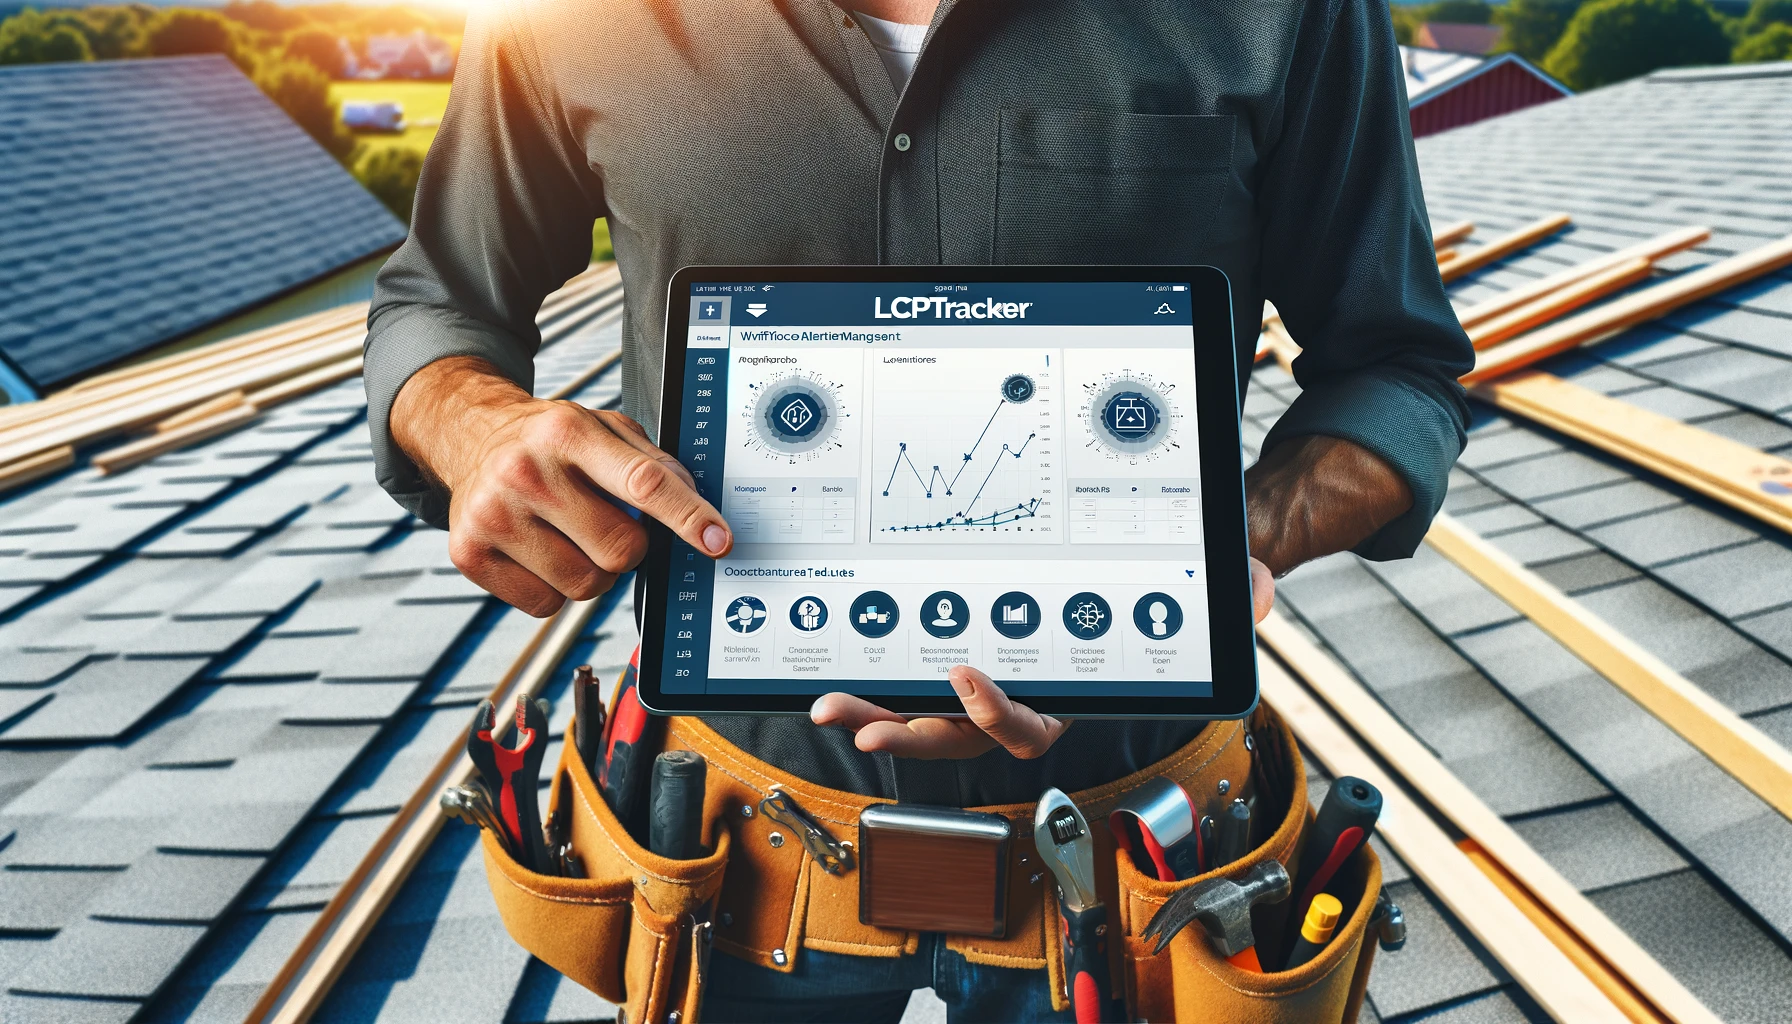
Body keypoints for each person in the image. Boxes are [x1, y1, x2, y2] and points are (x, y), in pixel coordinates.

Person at [366, 0, 1471, 1018]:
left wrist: (1201, 558)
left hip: (1141, 880)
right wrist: (473, 428)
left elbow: (1397, 368)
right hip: (738, 873)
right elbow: (439, 299)